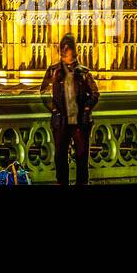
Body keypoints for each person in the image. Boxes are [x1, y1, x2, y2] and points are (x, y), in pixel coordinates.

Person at [39, 33, 99, 186]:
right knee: (60, 157)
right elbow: (44, 92)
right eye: (63, 49)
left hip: (80, 122)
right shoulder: (53, 70)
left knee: (82, 158)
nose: (65, 52)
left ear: (74, 51)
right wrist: (54, 110)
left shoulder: (83, 72)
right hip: (61, 121)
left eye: (68, 49)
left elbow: (95, 93)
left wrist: (86, 108)